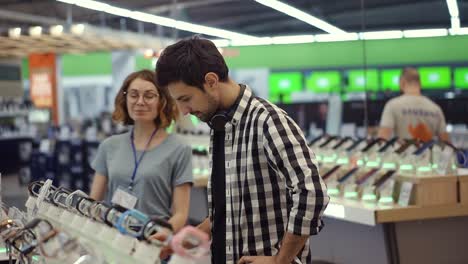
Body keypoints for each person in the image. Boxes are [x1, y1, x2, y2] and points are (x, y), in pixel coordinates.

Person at [155, 36, 329, 264]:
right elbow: (231, 207)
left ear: (211, 81)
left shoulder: (267, 120)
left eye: (186, 99)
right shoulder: (219, 125)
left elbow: (312, 192)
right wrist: (189, 238)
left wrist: (281, 260)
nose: (183, 110)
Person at [89, 69, 193, 234]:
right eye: (133, 95)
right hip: (112, 236)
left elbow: (181, 214)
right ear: (125, 99)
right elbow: (93, 202)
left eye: (149, 96)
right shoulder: (109, 146)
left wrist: (162, 236)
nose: (140, 101)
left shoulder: (179, 150)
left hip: (153, 238)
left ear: (162, 101)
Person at [378, 67, 449, 142]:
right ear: (420, 83)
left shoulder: (392, 105)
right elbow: (446, 144)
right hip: (428, 153)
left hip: (404, 153)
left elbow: (382, 139)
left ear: (402, 82)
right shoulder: (435, 108)